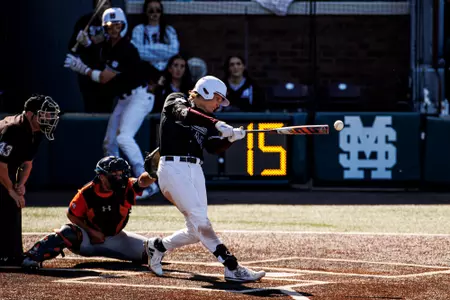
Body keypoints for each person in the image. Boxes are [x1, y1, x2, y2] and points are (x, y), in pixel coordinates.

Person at [144, 75, 266, 283]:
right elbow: (183, 114)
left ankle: (158, 246)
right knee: (201, 220)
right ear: (206, 92)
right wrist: (217, 124)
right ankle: (232, 266)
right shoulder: (176, 99)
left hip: (195, 169)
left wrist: (230, 139)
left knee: (194, 231)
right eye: (217, 99)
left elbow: (212, 147)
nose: (219, 105)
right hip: (172, 169)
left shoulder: (207, 120)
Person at [64, 7, 158, 199]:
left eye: (117, 26)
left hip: (140, 97)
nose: (114, 30)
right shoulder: (109, 45)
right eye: (110, 26)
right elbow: (100, 53)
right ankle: (115, 183)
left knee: (124, 137)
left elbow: (105, 77)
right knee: (109, 144)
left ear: (123, 26)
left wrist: (81, 68)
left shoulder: (125, 48)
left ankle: (147, 182)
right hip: (125, 98)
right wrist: (87, 43)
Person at [21, 156, 156, 270]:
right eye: (114, 175)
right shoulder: (87, 193)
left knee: (154, 250)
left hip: (116, 238)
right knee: (67, 232)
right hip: (88, 240)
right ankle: (32, 256)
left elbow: (141, 182)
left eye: (121, 174)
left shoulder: (125, 186)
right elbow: (71, 214)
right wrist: (91, 231)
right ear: (102, 177)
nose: (119, 178)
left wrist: (153, 172)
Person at [0, 94, 61, 266]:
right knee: (8, 200)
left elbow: (27, 164)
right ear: (29, 114)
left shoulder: (36, 131)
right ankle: (8, 253)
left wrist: (20, 186)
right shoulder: (13, 129)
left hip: (5, 169)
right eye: (44, 114)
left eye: (50, 114)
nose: (48, 118)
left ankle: (10, 253)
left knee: (13, 202)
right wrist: (11, 190)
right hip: (2, 167)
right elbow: (1, 165)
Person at [69, 0, 113, 113]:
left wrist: (90, 44)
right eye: (100, 2)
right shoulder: (85, 21)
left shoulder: (114, 22)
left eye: (106, 2)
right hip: (88, 73)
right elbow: (72, 47)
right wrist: (79, 41)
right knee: (90, 107)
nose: (103, 6)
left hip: (108, 72)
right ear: (95, 5)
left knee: (106, 108)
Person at [131, 0, 180, 89]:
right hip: (145, 71)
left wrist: (148, 50)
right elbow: (137, 52)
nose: (155, 13)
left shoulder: (168, 30)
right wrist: (163, 52)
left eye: (158, 10)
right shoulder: (138, 29)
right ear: (145, 12)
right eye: (151, 11)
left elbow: (174, 50)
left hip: (166, 71)